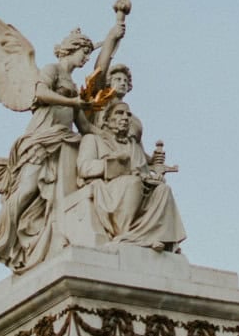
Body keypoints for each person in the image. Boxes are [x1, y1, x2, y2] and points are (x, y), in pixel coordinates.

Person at [0, 25, 125, 272]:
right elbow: (40, 93)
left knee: (64, 197)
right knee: (26, 190)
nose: (86, 58)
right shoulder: (52, 70)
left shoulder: (76, 87)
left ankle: (59, 241)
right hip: (41, 140)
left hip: (64, 143)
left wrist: (111, 138)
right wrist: (71, 101)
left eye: (89, 53)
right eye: (84, 52)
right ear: (72, 49)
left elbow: (85, 126)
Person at [77, 102, 186, 251]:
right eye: (119, 113)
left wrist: (152, 178)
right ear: (106, 120)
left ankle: (152, 237)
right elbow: (84, 168)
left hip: (138, 188)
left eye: (128, 114)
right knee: (133, 183)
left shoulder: (133, 146)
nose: (125, 117)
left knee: (163, 190)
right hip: (109, 188)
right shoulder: (93, 139)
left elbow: (142, 172)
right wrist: (113, 165)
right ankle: (126, 235)